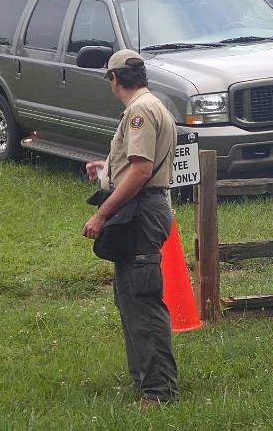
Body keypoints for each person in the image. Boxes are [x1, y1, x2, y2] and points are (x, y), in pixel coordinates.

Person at [81, 49, 179, 404]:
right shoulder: (153, 104)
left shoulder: (139, 111)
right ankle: (144, 380)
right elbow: (135, 166)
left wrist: (101, 214)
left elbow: (140, 170)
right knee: (129, 298)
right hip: (144, 206)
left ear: (114, 78)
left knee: (141, 299)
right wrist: (107, 170)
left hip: (142, 210)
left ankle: (159, 391)